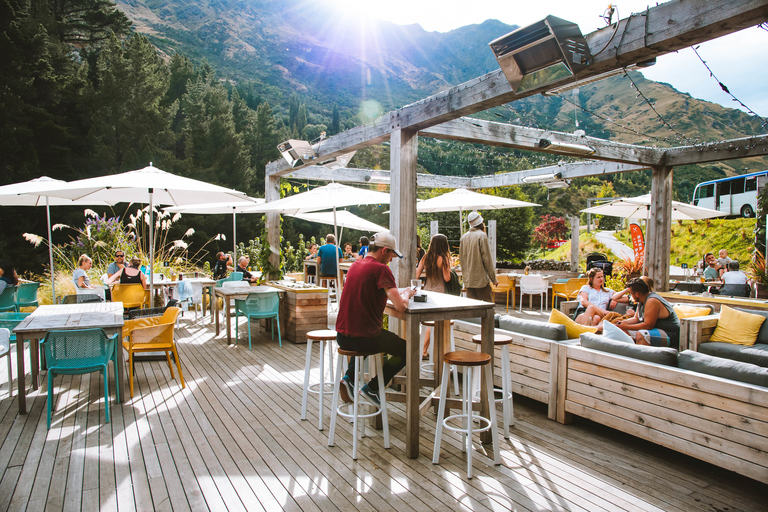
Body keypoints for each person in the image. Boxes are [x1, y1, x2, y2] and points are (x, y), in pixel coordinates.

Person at [335, 232, 416, 406]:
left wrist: (396, 295)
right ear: (384, 250)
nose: (392, 260)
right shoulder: (381, 269)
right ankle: (372, 388)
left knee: (364, 334)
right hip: (363, 339)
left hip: (342, 336)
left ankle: (349, 378)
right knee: (408, 350)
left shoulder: (356, 265)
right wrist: (407, 294)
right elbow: (401, 307)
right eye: (391, 255)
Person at [414, 234, 452, 357]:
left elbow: (416, 274)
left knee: (427, 321)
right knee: (434, 322)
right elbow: (447, 278)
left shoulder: (425, 257)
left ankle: (422, 348)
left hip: (427, 290)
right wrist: (450, 269)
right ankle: (424, 350)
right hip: (439, 292)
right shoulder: (444, 259)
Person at [616, 277, 680, 348]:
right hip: (656, 331)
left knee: (642, 334)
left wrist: (627, 326)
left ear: (637, 294)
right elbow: (636, 318)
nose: (631, 296)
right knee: (620, 330)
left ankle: (639, 357)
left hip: (670, 334)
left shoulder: (651, 300)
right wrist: (622, 323)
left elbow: (648, 325)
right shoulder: (641, 300)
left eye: (631, 293)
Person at [459, 211, 497, 301]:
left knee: (472, 310)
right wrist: (493, 279)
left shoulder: (463, 237)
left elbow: (461, 259)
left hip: (468, 280)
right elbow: (487, 259)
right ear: (481, 223)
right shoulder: (482, 236)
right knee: (487, 309)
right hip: (481, 280)